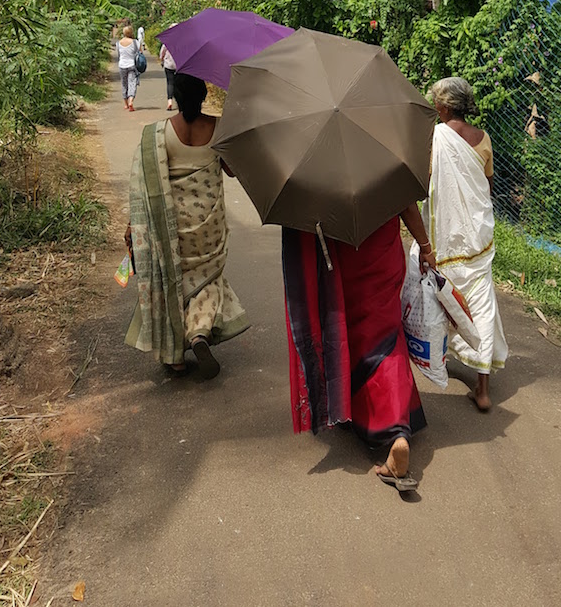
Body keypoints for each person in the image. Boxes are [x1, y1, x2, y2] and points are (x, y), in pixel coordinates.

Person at [283, 197, 432, 493]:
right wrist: (425, 247)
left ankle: (381, 425)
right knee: (388, 336)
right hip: (384, 251)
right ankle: (397, 429)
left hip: (344, 252)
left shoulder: (316, 160)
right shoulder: (385, 150)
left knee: (354, 337)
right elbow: (404, 201)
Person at [125, 73, 249, 379]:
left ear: (176, 97)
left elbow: (145, 187)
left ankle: (176, 358)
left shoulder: (158, 133)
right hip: (208, 225)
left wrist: (132, 225)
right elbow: (232, 170)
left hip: (172, 225)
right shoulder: (218, 128)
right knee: (207, 279)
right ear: (204, 95)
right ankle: (199, 331)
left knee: (173, 280)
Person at [426, 76, 508, 411]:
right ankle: (483, 388)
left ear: (443, 106)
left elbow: (426, 181)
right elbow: (486, 188)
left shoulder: (435, 138)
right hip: (476, 236)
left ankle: (431, 358)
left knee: (437, 295)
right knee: (482, 306)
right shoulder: (483, 138)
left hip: (444, 236)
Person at [117, 24, 139, 113]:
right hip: (132, 65)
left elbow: (119, 55)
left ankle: (126, 104)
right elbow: (139, 52)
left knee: (124, 83)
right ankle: (131, 101)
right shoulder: (135, 42)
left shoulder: (118, 43)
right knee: (132, 83)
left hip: (122, 65)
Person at [159, 39, 177, 111]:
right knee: (178, 83)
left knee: (170, 83)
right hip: (179, 66)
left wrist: (162, 59)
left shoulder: (166, 43)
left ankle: (170, 102)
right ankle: (179, 101)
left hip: (168, 65)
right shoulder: (181, 42)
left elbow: (161, 54)